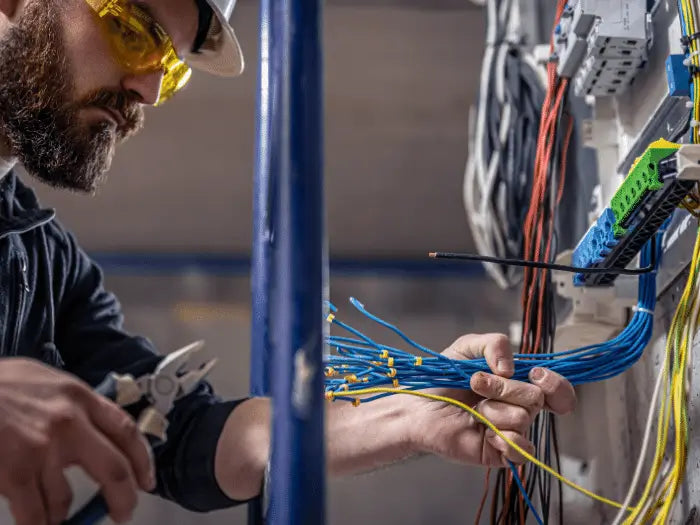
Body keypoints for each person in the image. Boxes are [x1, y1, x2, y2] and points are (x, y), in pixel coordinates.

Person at [0, 0, 577, 523]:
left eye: (170, 70)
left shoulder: (41, 265)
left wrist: (408, 415)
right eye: (134, 34)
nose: (149, 91)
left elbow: (187, 440)